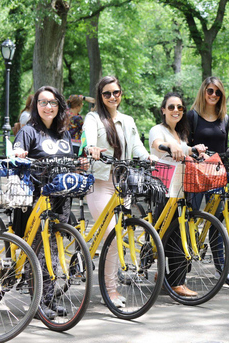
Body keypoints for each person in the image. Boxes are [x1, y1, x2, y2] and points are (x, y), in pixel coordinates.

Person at [12, 86, 85, 319]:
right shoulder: (29, 131)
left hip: (61, 195)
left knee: (53, 249)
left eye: (52, 102)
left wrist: (79, 164)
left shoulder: (63, 132)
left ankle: (50, 299)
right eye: (42, 102)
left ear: (59, 106)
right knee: (38, 249)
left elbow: (68, 159)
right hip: (37, 197)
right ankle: (38, 303)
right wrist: (19, 154)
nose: (48, 107)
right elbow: (17, 149)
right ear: (36, 106)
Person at [84, 76, 151, 308]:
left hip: (121, 184)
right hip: (100, 183)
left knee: (118, 235)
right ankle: (110, 290)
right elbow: (89, 140)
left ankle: (101, 272)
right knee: (112, 235)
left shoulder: (127, 120)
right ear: (100, 96)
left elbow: (136, 146)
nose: (113, 97)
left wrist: (147, 157)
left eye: (116, 92)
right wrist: (91, 148)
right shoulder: (93, 118)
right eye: (107, 93)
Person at [148, 92, 197, 297]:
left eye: (179, 107)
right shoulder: (157, 130)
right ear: (163, 110)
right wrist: (168, 145)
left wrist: (194, 149)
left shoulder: (181, 134)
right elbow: (157, 144)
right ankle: (176, 282)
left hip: (180, 187)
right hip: (163, 186)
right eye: (171, 107)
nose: (176, 110)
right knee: (172, 234)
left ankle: (166, 277)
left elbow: (184, 150)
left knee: (176, 233)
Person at [185, 77, 229, 210]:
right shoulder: (192, 116)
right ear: (203, 92)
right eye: (210, 91)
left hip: (216, 172)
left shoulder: (225, 119)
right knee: (192, 213)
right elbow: (184, 146)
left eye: (217, 92)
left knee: (217, 215)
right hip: (196, 173)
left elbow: (223, 148)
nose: (214, 95)